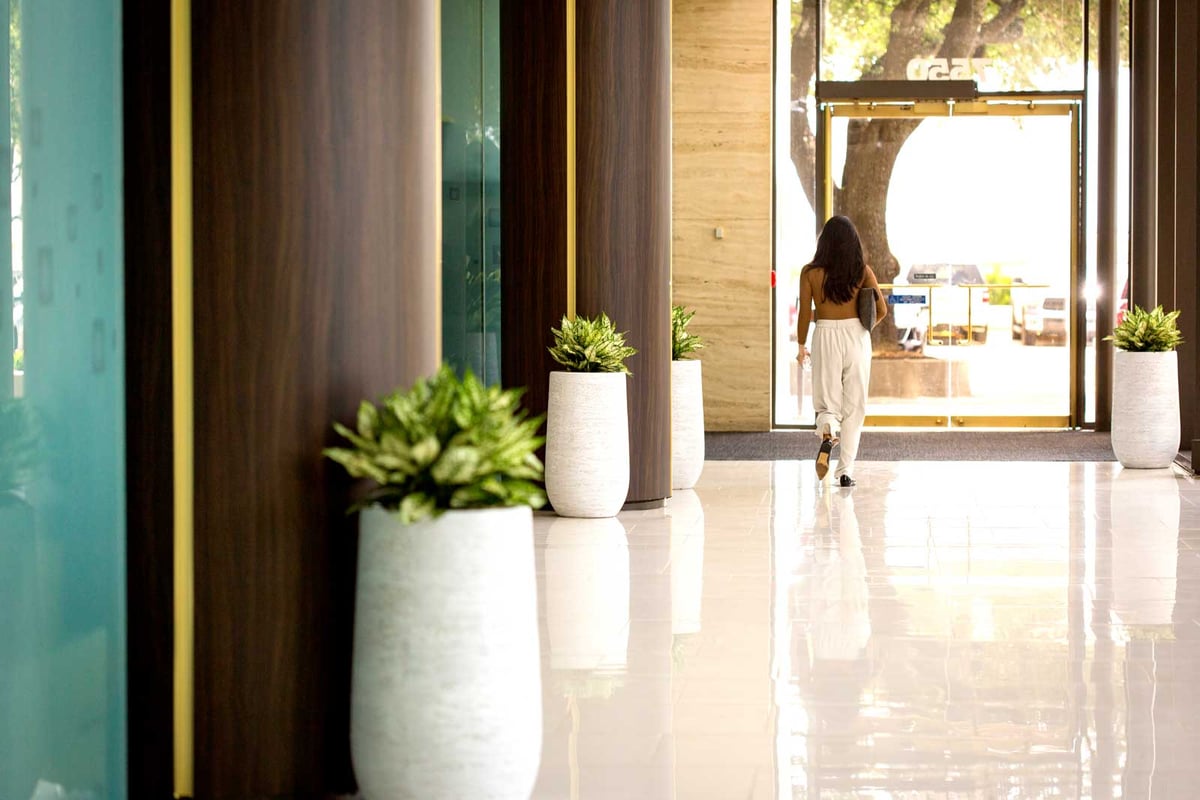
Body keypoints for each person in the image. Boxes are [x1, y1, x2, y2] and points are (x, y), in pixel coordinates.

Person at [796, 215, 886, 486]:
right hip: (856, 336)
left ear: (824, 242)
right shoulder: (862, 272)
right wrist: (861, 329)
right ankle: (845, 471)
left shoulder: (810, 273)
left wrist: (801, 346)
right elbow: (881, 310)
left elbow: (803, 314)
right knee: (854, 405)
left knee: (827, 401)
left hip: (824, 334)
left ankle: (828, 433)